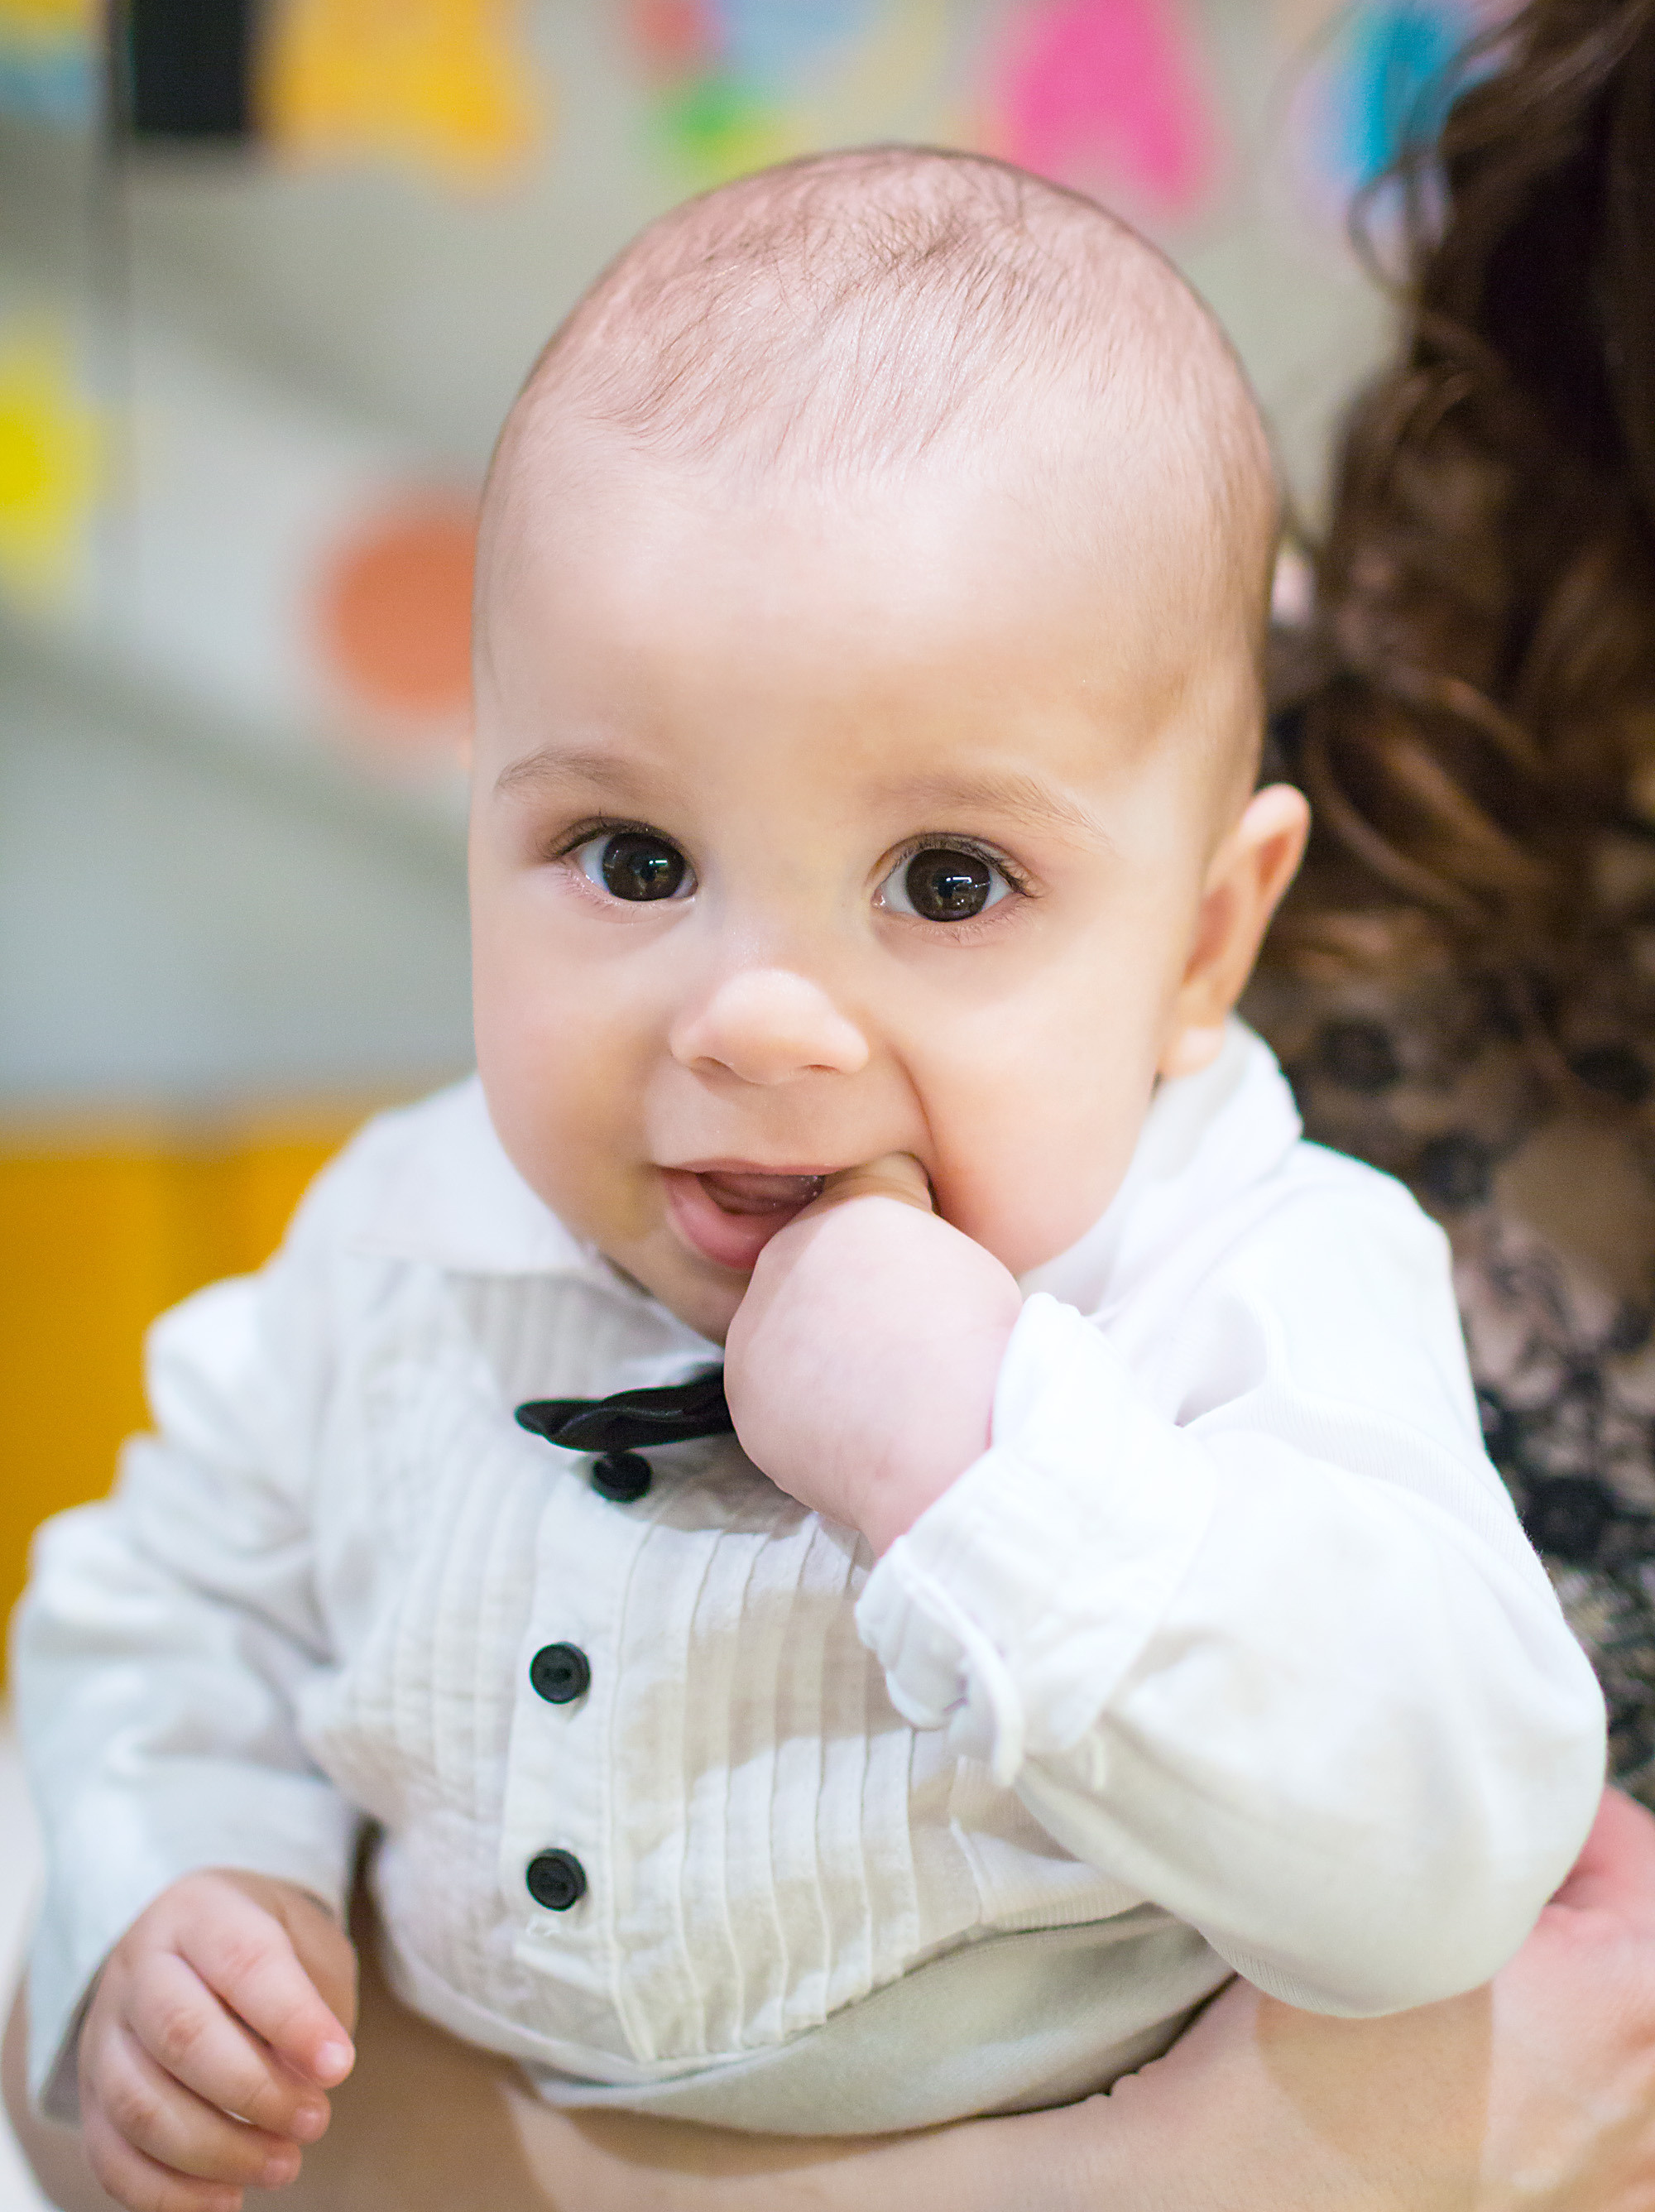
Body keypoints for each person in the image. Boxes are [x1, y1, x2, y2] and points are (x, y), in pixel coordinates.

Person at [3, 142, 1605, 2212]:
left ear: (1205, 939)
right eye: (634, 860)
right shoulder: (406, 1239)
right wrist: (184, 1886)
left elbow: (1434, 1863)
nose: (756, 1020)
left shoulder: (1250, 1279)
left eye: (949, 883)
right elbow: (169, 1610)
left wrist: (999, 1473)